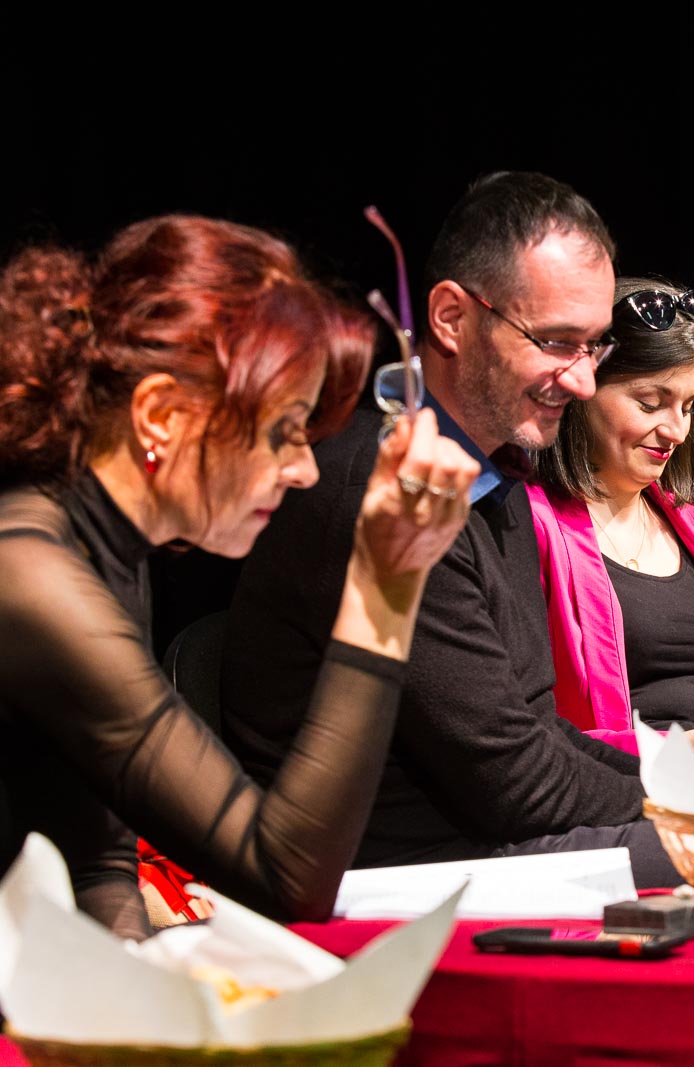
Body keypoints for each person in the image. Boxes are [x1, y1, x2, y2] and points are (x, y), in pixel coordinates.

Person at [223, 173, 694, 886]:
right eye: (556, 342)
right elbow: (518, 784)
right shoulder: (392, 487)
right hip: (393, 881)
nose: (583, 381)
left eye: (594, 348)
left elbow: (538, 737)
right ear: (451, 318)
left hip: (483, 845)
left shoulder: (500, 479)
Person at [0, 215, 477, 940]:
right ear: (160, 414)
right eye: (285, 429)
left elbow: (97, 861)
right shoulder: (32, 576)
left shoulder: (105, 545)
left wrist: (143, 982)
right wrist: (384, 584)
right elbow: (284, 873)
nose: (305, 468)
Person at [526, 278, 694, 751]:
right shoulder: (534, 523)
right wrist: (684, 750)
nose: (677, 430)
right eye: (651, 403)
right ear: (581, 390)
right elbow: (527, 733)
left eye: (688, 406)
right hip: (617, 783)